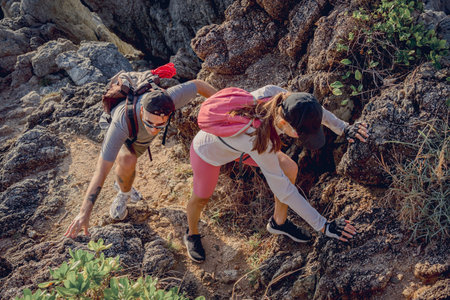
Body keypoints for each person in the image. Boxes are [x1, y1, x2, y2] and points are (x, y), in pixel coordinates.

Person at [184, 85, 369, 263]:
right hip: (208, 154)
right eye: (302, 133)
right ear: (283, 124)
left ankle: (278, 224)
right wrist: (324, 226)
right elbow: (284, 190)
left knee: (290, 169)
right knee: (201, 198)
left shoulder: (278, 96)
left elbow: (312, 110)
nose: (305, 137)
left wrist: (344, 128)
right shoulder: (260, 141)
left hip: (243, 146)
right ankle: (191, 233)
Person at [65, 79, 217, 239]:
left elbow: (199, 85)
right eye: (150, 122)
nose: (153, 129)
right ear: (143, 110)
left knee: (135, 152)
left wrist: (227, 107)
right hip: (127, 129)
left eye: (160, 125)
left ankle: (125, 182)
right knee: (127, 160)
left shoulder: (170, 98)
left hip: (140, 134)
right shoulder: (120, 123)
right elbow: (101, 170)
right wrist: (84, 212)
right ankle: (124, 192)